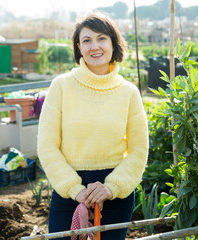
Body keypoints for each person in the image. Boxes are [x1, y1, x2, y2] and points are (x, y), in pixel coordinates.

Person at [37, 12, 148, 240]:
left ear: (113, 44)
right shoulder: (61, 86)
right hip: (68, 188)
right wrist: (76, 191)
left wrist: (112, 187)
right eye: (86, 40)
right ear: (78, 47)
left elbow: (138, 151)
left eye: (101, 38)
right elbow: (47, 146)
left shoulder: (128, 92)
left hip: (114, 192)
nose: (94, 46)